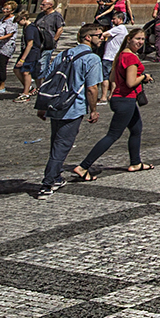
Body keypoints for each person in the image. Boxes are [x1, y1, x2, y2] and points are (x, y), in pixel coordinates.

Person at [32, 23, 107, 197]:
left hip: (55, 104)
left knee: (56, 143)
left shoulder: (64, 54)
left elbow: (48, 80)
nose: (102, 38)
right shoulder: (92, 59)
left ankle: (56, 176)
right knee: (62, 145)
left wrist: (42, 106)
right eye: (99, 35)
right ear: (88, 37)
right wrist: (93, 110)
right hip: (73, 107)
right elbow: (92, 88)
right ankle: (47, 183)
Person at [72, 28, 154, 179]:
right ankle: (83, 166)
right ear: (129, 39)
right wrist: (144, 77)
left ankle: (136, 162)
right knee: (113, 135)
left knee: (136, 129)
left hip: (119, 98)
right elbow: (130, 83)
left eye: (143, 39)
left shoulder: (121, 54)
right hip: (126, 99)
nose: (140, 42)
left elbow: (112, 78)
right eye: (137, 39)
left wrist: (112, 93)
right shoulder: (131, 58)